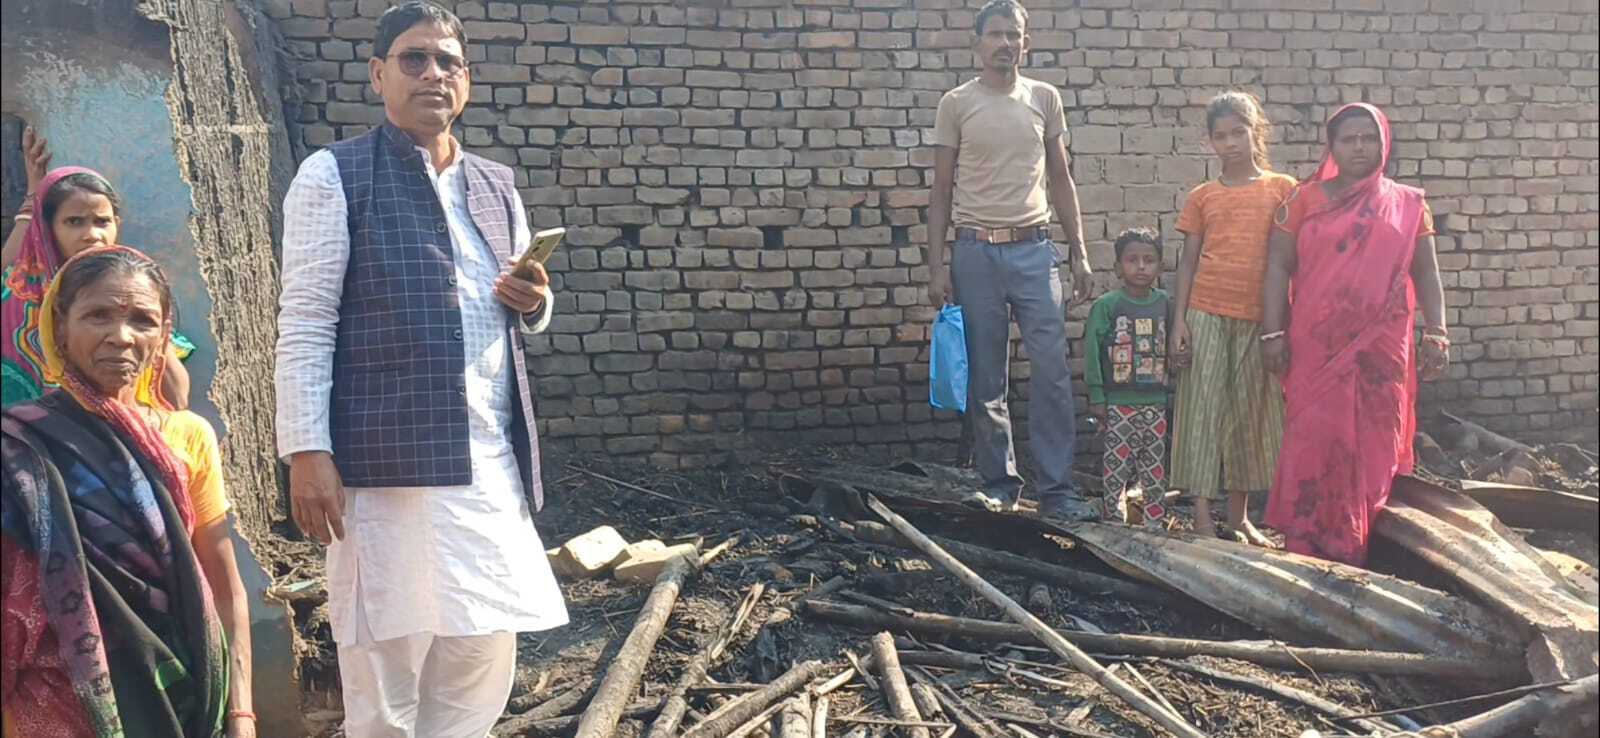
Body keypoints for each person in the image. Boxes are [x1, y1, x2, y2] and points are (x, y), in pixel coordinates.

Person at [273, 3, 567, 735]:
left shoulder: (496, 185)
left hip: (487, 463)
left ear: (466, 80)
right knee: (385, 665)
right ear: (379, 75)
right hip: (384, 470)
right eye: (414, 59)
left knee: (481, 652)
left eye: (448, 62)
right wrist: (306, 450)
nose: (433, 73)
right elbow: (306, 320)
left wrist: (534, 302)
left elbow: (521, 306)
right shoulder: (334, 175)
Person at [2, 246, 254, 738]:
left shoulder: (188, 436)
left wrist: (241, 713)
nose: (121, 336)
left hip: (181, 689)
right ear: (60, 327)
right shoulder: (18, 446)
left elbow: (225, 588)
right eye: (97, 315)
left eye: (143, 320)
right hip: (51, 702)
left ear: (163, 336)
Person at [926, 0, 1098, 521]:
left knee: (1051, 372)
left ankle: (1057, 491)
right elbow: (941, 189)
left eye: (1014, 34)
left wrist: (1080, 253)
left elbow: (1062, 179)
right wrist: (936, 266)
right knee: (986, 376)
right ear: (977, 42)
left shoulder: (1044, 98)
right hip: (975, 252)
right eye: (996, 34)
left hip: (1034, 251)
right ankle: (1000, 486)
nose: (1005, 43)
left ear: (1027, 42)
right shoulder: (956, 104)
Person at [1260, 102, 1449, 566]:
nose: (1359, 147)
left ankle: (1370, 541)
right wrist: (1272, 333)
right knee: (1314, 438)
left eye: (1369, 138)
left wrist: (1437, 332)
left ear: (1384, 145)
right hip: (1316, 346)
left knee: (1376, 441)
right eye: (1348, 139)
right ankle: (1308, 544)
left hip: (1381, 350)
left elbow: (1426, 273)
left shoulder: (1408, 204)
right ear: (1332, 146)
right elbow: (1277, 267)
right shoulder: (1302, 201)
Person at [1167, 92, 1295, 546]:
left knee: (1250, 415)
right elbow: (1187, 262)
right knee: (1202, 412)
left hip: (1261, 320)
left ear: (1256, 132)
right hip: (1206, 313)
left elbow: (1292, 257)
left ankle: (1238, 516)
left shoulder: (1283, 189)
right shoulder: (1203, 197)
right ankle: (1202, 519)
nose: (1230, 143)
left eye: (1238, 132)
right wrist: (1179, 321)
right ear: (1209, 142)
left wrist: (1286, 324)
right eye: (1220, 136)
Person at [3, 152, 194, 409]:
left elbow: (177, 400)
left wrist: (156, 336)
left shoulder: (133, 290)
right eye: (74, 222)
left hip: (118, 427)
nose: (92, 234)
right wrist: (31, 196)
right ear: (47, 228)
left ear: (116, 224)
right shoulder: (16, 296)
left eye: (102, 222)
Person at [1084, 228, 1171, 527]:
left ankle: (1154, 524)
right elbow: (1092, 351)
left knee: (1154, 467)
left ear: (1161, 266)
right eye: (1132, 260)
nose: (1141, 267)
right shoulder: (1107, 305)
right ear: (1118, 267)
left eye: (1149, 260)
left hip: (1156, 403)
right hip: (1118, 404)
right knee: (1116, 465)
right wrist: (1097, 396)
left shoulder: (1166, 304)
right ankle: (1114, 521)